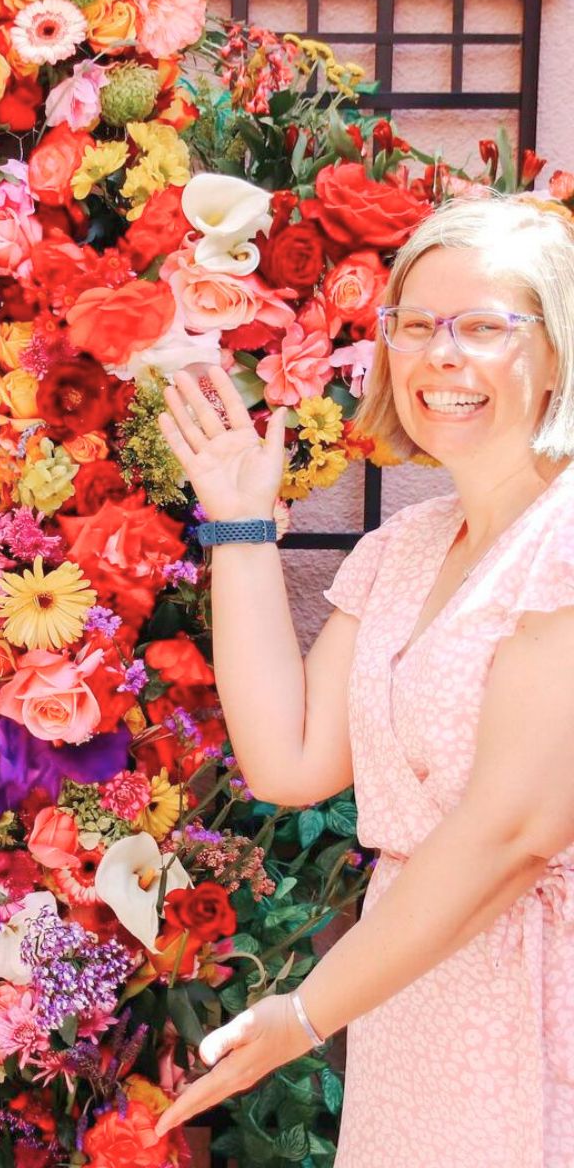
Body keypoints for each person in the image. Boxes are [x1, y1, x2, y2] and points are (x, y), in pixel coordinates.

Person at [153, 195, 574, 1166]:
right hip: (414, 997)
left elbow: (514, 831)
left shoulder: (562, 540)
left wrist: (305, 1014)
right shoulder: (406, 550)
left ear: (555, 354)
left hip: (537, 997)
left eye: (483, 328)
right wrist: (242, 529)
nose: (441, 356)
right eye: (417, 326)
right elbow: (288, 761)